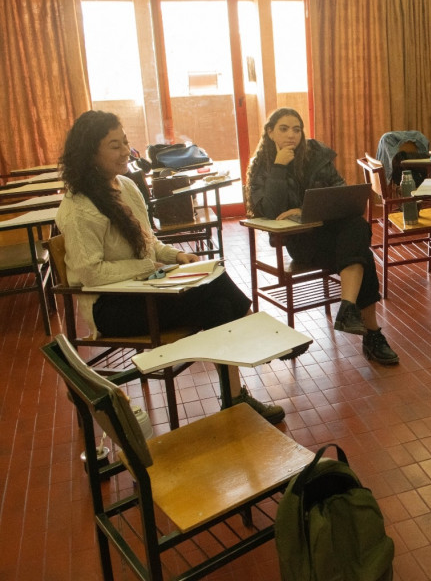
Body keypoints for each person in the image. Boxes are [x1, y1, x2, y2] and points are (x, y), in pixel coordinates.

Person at [55, 110, 287, 424]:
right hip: (109, 309)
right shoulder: (78, 207)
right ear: (90, 154)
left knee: (216, 300)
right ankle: (262, 334)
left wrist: (177, 258)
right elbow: (91, 273)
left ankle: (234, 399)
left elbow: (148, 243)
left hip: (144, 291)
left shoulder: (125, 186)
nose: (126, 150)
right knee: (213, 286)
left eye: (125, 142)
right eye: (114, 145)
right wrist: (146, 268)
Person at [245, 107, 399, 365]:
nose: (291, 135)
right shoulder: (262, 167)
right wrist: (279, 168)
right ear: (270, 132)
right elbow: (270, 211)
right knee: (362, 256)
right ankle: (371, 335)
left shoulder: (315, 154)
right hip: (301, 242)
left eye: (297, 129)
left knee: (356, 229)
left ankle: (348, 308)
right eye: (283, 129)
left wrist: (305, 209)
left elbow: (339, 191)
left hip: (330, 231)